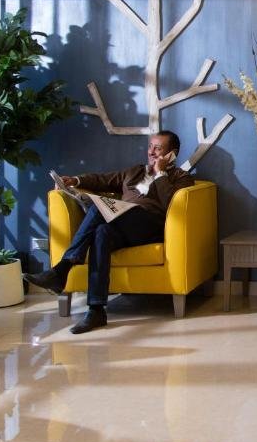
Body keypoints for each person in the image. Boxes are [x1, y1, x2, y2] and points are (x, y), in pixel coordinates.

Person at [24, 130, 194, 334]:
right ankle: (96, 310)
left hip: (149, 226)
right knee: (101, 232)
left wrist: (161, 173)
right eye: (150, 147)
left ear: (172, 153)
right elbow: (102, 180)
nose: (151, 152)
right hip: (122, 225)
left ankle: (62, 269)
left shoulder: (181, 178)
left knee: (99, 208)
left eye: (158, 148)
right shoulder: (135, 171)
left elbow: (170, 203)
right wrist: (75, 181)